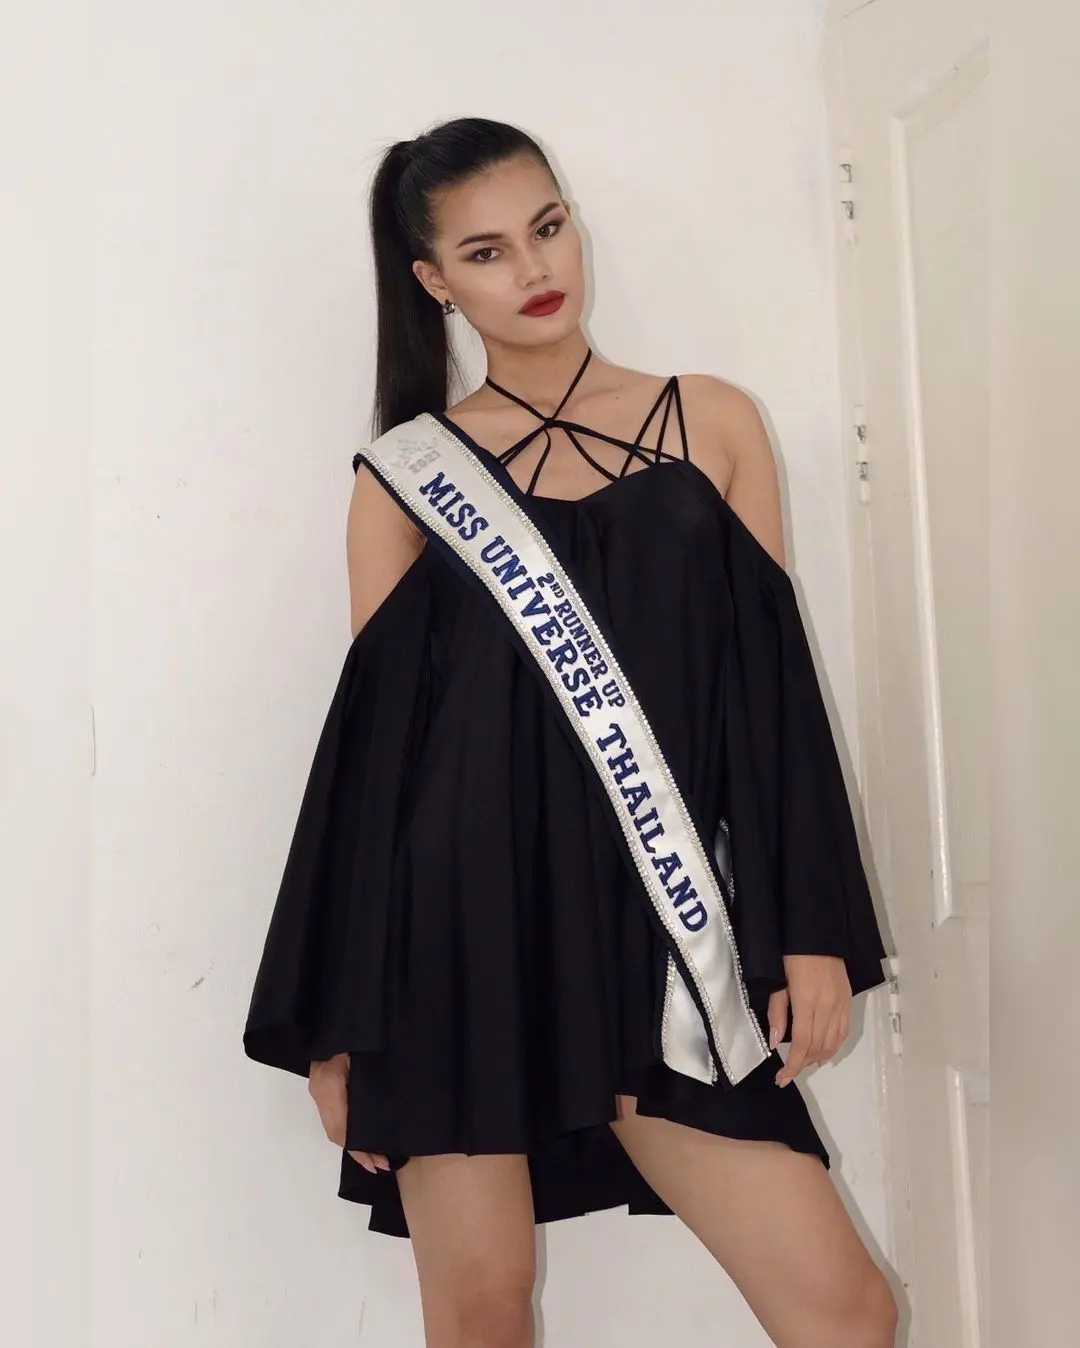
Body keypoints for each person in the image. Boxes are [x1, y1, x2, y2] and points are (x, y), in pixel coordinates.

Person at [244, 116, 898, 1348]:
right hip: (456, 937)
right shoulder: (405, 477)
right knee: (483, 1312)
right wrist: (341, 1015)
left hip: (664, 936)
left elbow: (770, 697)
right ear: (435, 282)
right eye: (485, 251)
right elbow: (374, 766)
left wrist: (807, 928)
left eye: (547, 227)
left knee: (845, 1311)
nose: (534, 268)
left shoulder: (712, 422)